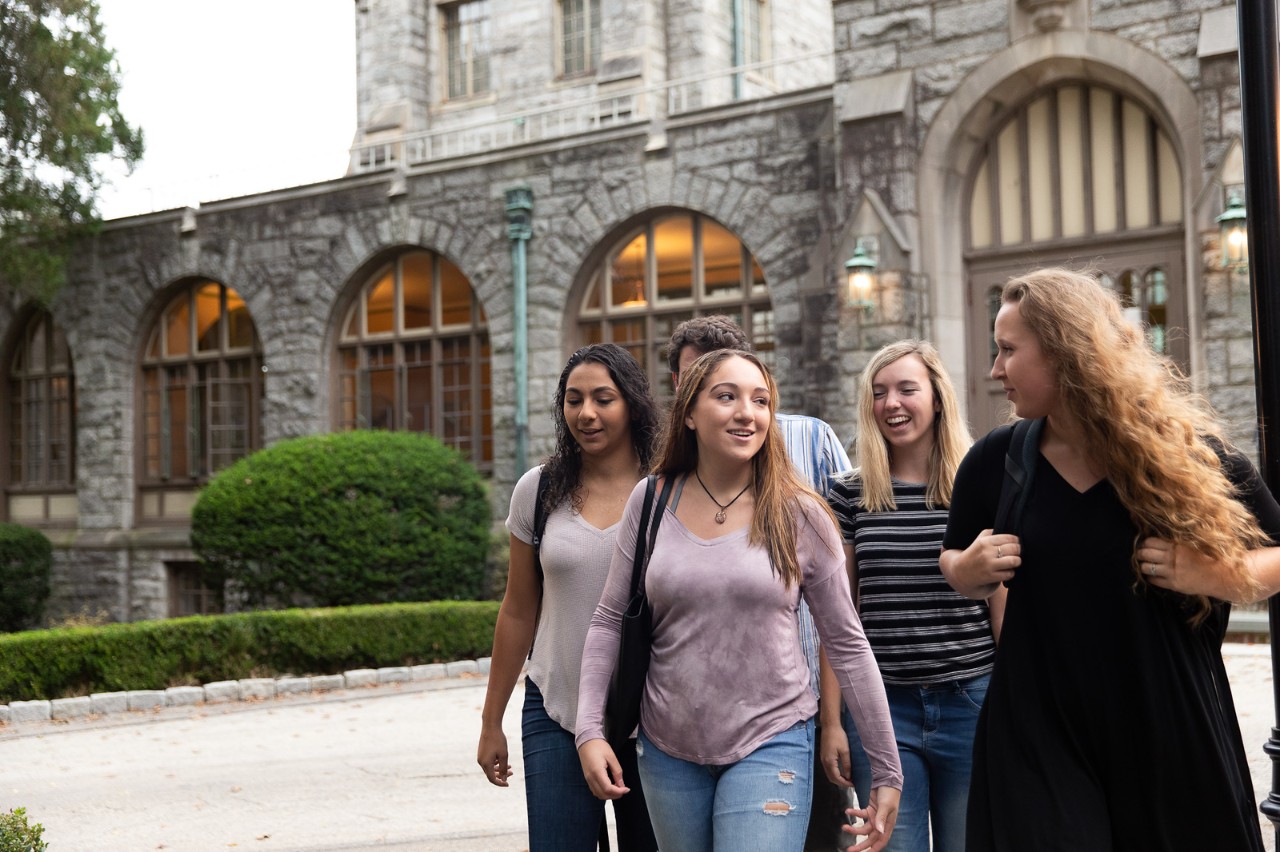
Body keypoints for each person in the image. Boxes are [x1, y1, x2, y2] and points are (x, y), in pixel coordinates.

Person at [939, 268, 1280, 852]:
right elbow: (952, 558)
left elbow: (1274, 554)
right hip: (1038, 725)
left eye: (1008, 350)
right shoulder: (996, 460)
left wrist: (1215, 575)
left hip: (1165, 719)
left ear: (1065, 352)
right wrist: (966, 571)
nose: (995, 371)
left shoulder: (1186, 452)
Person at [575, 349, 904, 852]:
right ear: (689, 412)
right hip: (667, 748)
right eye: (725, 396)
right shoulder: (651, 499)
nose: (746, 412)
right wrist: (589, 730)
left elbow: (848, 644)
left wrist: (885, 767)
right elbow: (608, 619)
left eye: (760, 400)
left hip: (773, 738)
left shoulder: (802, 514)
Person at [666, 315, 854, 849]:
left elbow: (843, 584)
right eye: (686, 380)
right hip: (693, 717)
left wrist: (842, 716)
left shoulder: (812, 438)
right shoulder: (667, 479)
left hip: (805, 703)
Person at [820, 340, 1003, 852]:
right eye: (879, 393)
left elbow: (1001, 603)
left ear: (938, 398)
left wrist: (1013, 703)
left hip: (971, 699)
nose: (892, 403)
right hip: (880, 709)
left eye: (907, 389)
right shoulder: (849, 493)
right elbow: (840, 617)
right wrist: (831, 721)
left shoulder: (979, 483)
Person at [477, 344, 661, 852]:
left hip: (653, 719)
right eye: (574, 399)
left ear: (632, 404)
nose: (587, 413)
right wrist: (491, 722)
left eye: (604, 398)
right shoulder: (538, 491)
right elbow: (517, 610)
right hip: (556, 711)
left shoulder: (672, 488)